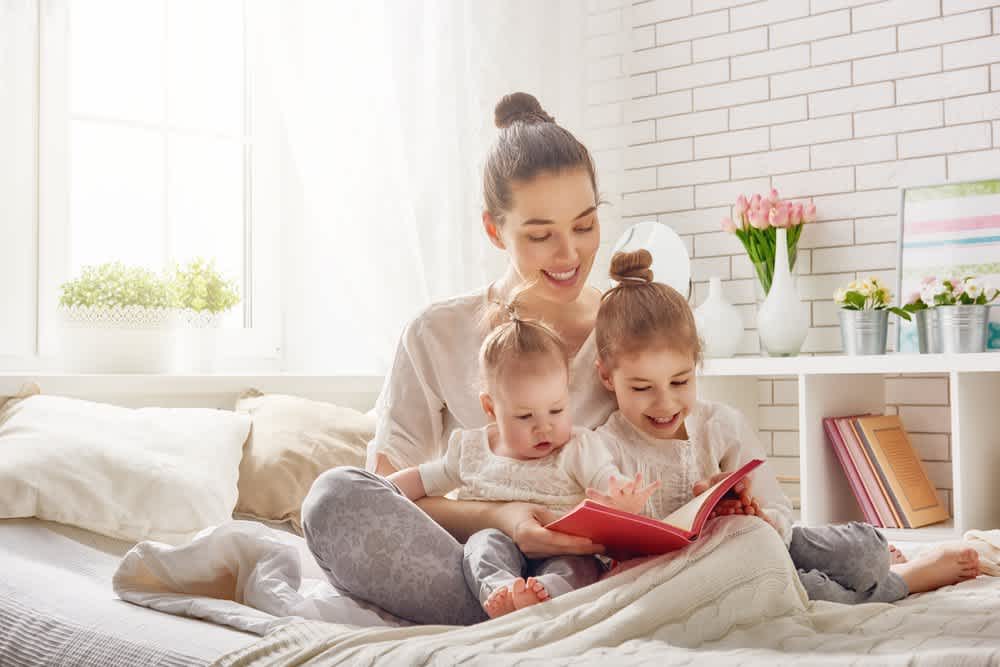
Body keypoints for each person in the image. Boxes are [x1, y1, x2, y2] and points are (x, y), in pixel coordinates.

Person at [301, 91, 618, 625]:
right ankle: (528, 614)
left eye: (585, 227)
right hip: (478, 561)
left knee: (749, 536)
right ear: (494, 230)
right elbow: (388, 497)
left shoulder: (629, 327)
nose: (570, 256)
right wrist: (506, 518)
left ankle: (538, 615)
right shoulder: (437, 334)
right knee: (334, 500)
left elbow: (678, 465)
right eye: (541, 235)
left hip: (607, 566)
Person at [589, 248, 981, 602]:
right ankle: (908, 579)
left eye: (680, 381)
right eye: (642, 387)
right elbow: (609, 558)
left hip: (766, 542)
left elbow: (780, 512)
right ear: (606, 376)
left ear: (696, 365)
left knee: (866, 552)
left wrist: (754, 515)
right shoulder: (604, 448)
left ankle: (885, 564)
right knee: (799, 592)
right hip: (711, 575)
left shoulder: (721, 425)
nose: (666, 403)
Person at [387, 293, 656, 619]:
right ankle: (501, 592)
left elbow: (605, 478)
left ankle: (549, 597)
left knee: (579, 567)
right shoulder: (471, 450)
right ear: (490, 408)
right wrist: (383, 490)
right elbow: (423, 479)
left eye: (556, 409)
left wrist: (622, 496)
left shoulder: (577, 447)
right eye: (525, 417)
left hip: (563, 548)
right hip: (500, 543)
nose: (544, 428)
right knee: (481, 547)